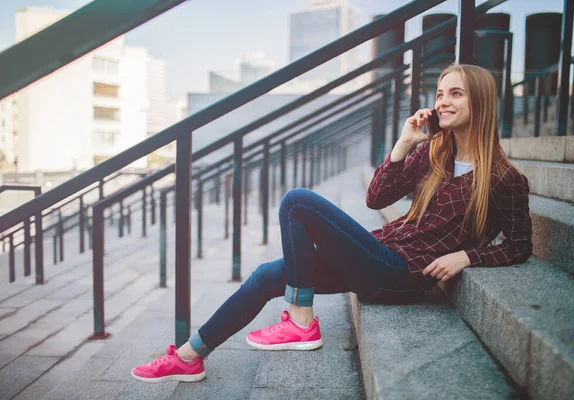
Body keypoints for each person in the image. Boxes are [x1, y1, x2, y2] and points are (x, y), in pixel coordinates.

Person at [130, 64, 532, 384]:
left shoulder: (503, 178)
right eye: (441, 93)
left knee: (297, 202)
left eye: (455, 93)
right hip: (381, 254)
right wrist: (404, 144)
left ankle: (301, 321)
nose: (443, 102)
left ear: (479, 102)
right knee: (271, 273)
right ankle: (189, 356)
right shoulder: (432, 154)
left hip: (400, 274)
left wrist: (466, 255)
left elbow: (519, 245)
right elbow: (376, 199)